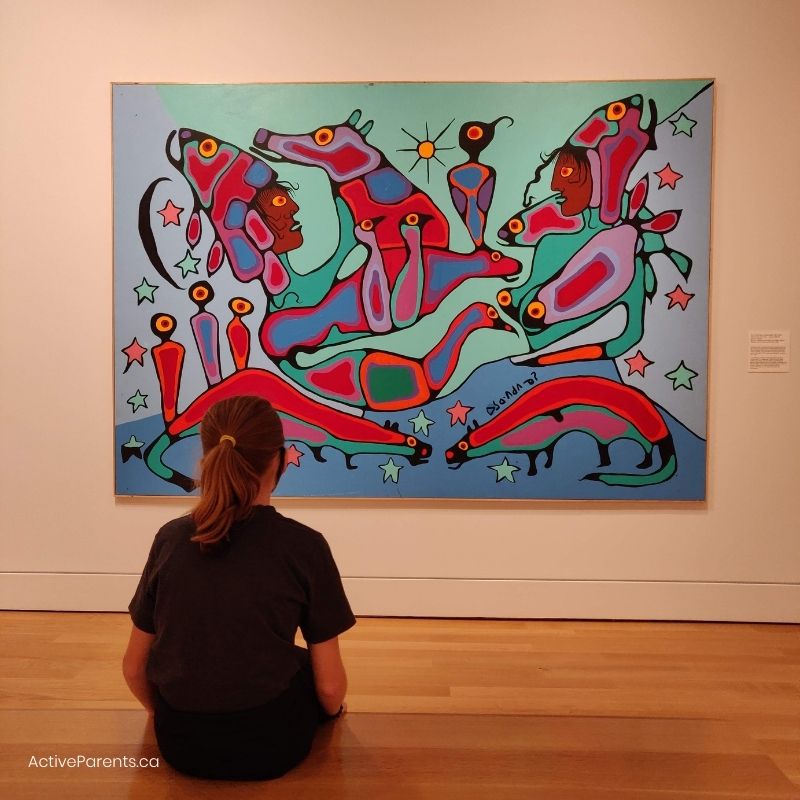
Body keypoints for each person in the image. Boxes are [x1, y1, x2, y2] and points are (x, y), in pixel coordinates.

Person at [122, 395, 356, 780]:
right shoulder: (305, 546)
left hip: (180, 745)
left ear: (207, 454)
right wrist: (332, 715)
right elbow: (330, 690)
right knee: (303, 665)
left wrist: (160, 714)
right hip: (272, 747)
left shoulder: (170, 539)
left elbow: (133, 669)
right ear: (279, 461)